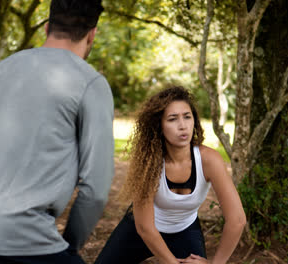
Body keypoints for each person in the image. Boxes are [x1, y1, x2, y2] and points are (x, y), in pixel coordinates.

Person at [0, 0, 114, 263]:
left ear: (48, 27)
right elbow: (96, 188)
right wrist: (71, 246)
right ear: (92, 34)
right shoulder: (90, 82)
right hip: (22, 242)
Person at [95, 86, 246, 264]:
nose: (182, 126)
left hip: (185, 230)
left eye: (187, 117)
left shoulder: (208, 160)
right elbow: (145, 227)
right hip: (141, 231)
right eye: (173, 119)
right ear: (159, 125)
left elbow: (237, 220)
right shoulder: (150, 163)